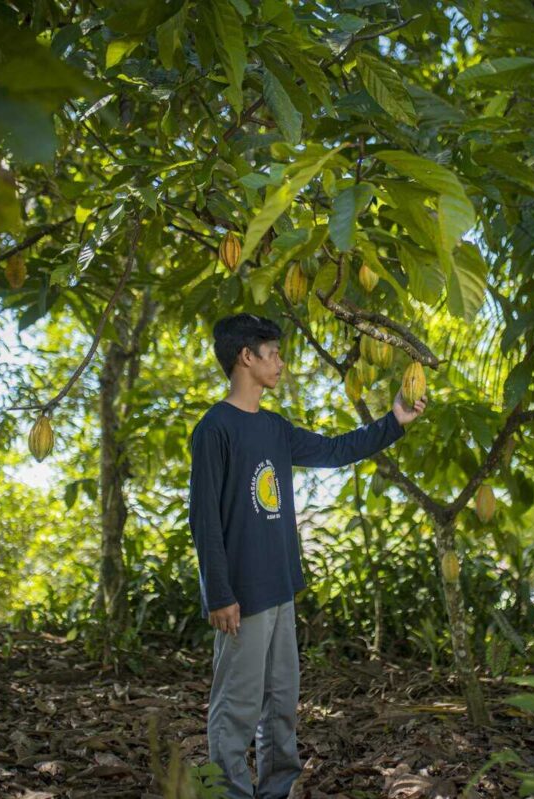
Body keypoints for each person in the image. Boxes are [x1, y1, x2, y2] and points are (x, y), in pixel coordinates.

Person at [187, 312, 427, 799]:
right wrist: (219, 594)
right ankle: (228, 793)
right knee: (237, 705)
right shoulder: (214, 429)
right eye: (272, 354)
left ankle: (279, 789)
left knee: (281, 702)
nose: (281, 362)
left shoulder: (275, 428)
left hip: (281, 586)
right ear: (246, 357)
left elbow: (336, 450)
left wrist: (394, 421)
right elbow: (205, 520)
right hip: (242, 594)